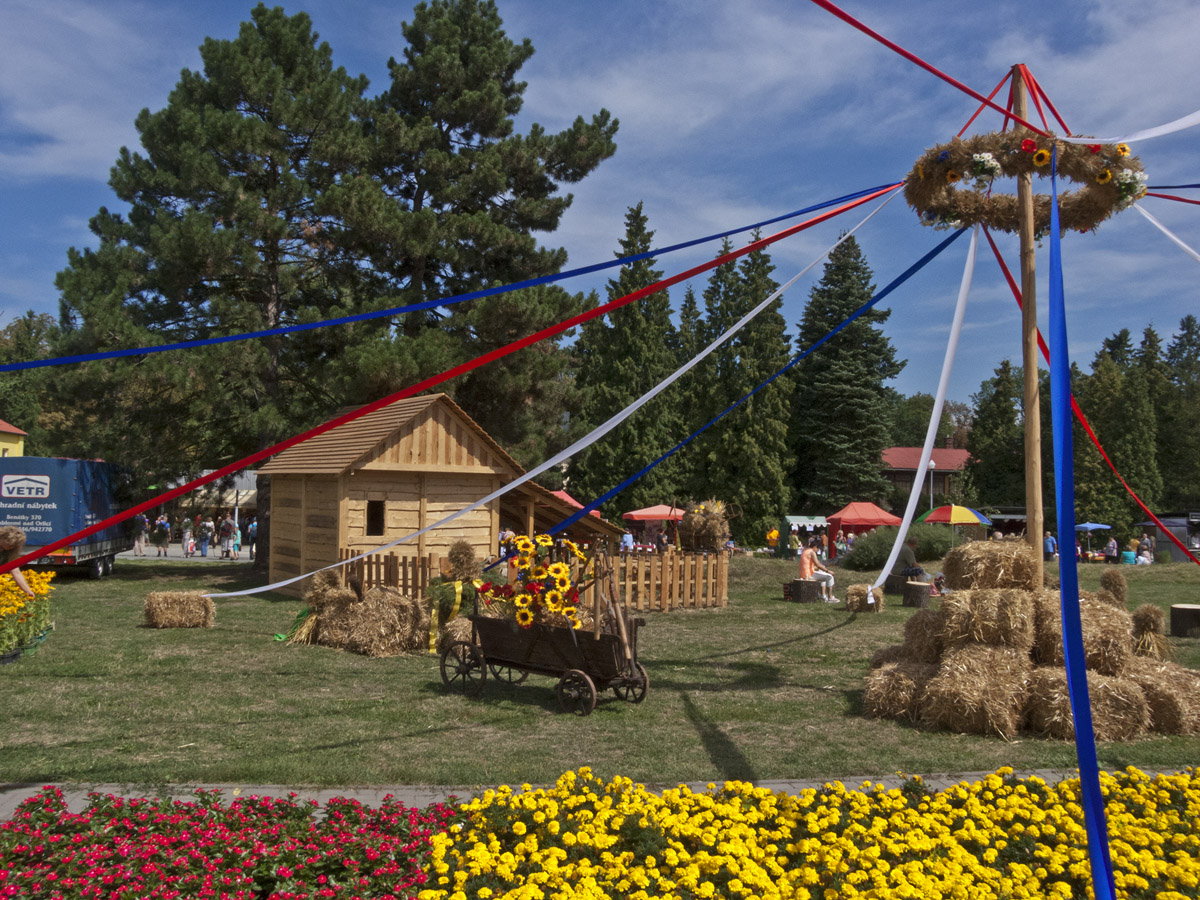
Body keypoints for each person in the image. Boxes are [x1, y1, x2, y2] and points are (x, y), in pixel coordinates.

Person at [0, 526, 36, 601]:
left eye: (15, 546)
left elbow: (16, 572)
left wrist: (28, 591)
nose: (12, 547)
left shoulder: (10, 553)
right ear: (2, 538)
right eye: (10, 544)